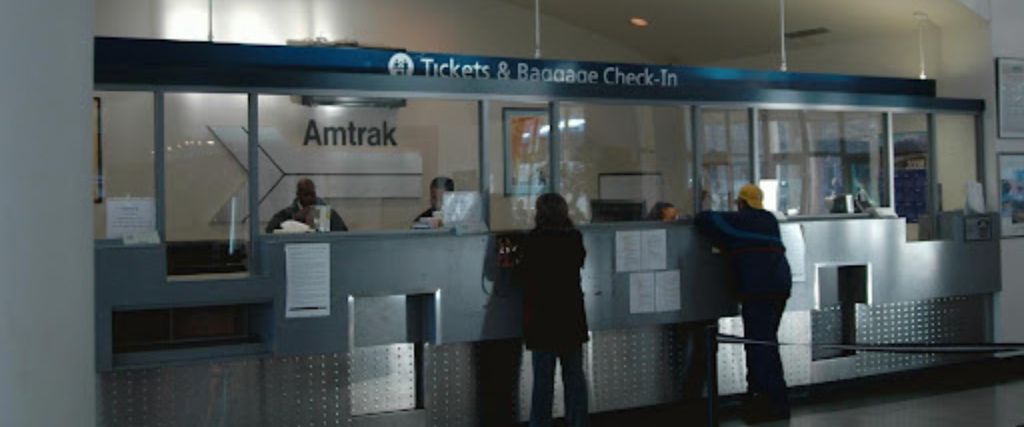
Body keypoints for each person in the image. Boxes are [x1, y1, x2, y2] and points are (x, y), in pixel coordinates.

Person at [695, 183, 792, 421]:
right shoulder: (769, 220)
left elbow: (704, 220)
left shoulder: (741, 220)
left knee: (758, 346)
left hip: (758, 291)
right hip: (779, 288)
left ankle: (766, 405)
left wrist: (703, 202)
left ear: (741, 203)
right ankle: (771, 400)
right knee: (767, 344)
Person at [514, 193, 590, 427]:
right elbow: (579, 262)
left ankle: (540, 423)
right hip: (570, 318)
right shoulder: (574, 238)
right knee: (574, 379)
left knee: (543, 383)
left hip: (542, 320)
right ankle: (578, 422)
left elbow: (522, 275)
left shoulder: (532, 241)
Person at [265, 178, 348, 233]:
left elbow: (343, 233)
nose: (310, 198)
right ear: (298, 195)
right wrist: (294, 218)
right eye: (306, 195)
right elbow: (270, 231)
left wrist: (323, 221)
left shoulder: (328, 213)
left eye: (312, 194)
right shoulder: (287, 213)